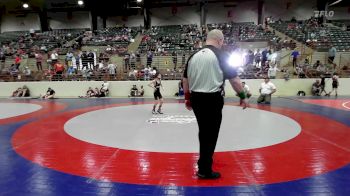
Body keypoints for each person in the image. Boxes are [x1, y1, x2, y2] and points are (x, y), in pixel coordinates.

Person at [183, 29, 248, 179]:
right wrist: (243, 96)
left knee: (204, 132)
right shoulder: (221, 55)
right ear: (220, 40)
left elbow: (185, 80)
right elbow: (235, 80)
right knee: (210, 134)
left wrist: (187, 98)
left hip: (196, 98)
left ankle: (203, 162)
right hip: (212, 99)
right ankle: (204, 169)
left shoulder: (193, 56)